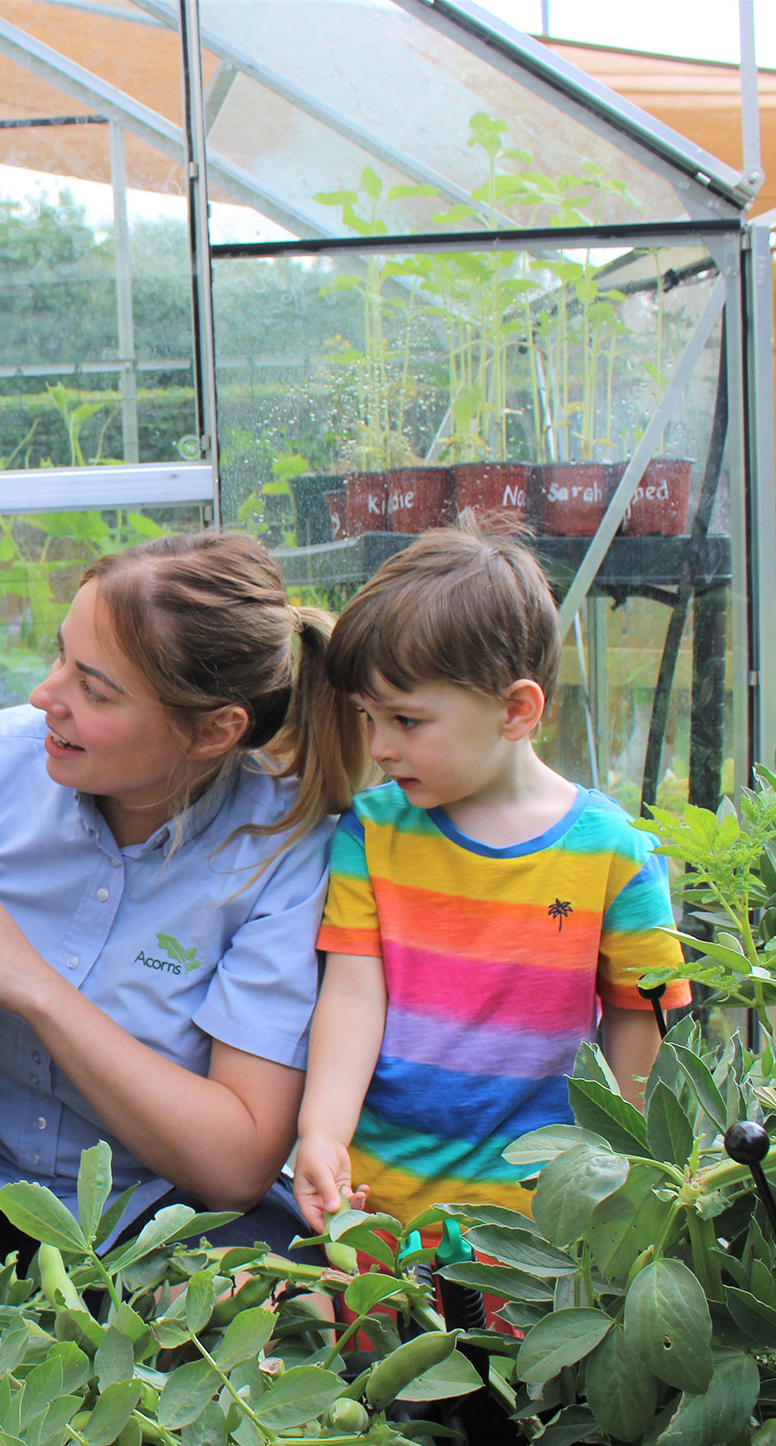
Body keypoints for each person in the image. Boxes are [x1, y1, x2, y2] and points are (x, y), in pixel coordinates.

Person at [0, 531, 364, 1253]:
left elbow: (238, 1163)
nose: (44, 696)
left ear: (214, 730)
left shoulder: (282, 849)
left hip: (161, 1218)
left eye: (94, 689)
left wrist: (38, 988)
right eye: (61, 655)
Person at [292, 521, 691, 1237]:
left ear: (516, 710)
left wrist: (629, 1184)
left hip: (543, 1224)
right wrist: (321, 1134)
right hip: (380, 1208)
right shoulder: (371, 833)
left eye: (407, 721)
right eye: (367, 718)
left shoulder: (616, 855)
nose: (379, 748)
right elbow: (352, 996)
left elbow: (641, 1021)